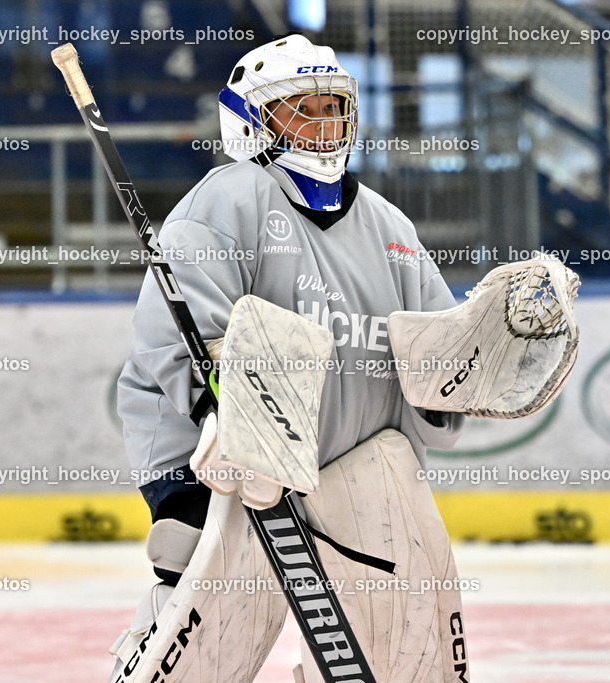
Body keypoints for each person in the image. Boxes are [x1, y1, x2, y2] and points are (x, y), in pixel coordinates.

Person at [111, 33, 468, 682]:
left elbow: (437, 356)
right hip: (213, 448)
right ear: (252, 120)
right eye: (303, 106)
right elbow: (177, 329)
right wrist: (226, 411)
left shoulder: (391, 227)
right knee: (194, 559)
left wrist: (479, 357)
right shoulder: (228, 198)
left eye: (334, 106)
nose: (325, 121)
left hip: (349, 457)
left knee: (391, 613)